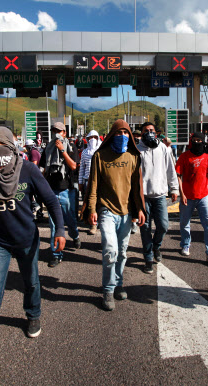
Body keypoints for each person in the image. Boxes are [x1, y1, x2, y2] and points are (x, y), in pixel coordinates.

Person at [0, 127, 66, 382]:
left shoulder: (27, 170)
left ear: (11, 145)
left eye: (1, 143)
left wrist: (60, 230)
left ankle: (33, 314)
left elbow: (51, 201)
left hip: (25, 240)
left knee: (31, 282)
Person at [86, 120, 146, 311]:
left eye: (126, 133)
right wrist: (91, 209)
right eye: (119, 133)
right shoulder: (100, 156)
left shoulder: (132, 157)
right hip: (107, 211)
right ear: (112, 134)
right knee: (110, 250)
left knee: (122, 252)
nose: (123, 136)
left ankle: (119, 283)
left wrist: (140, 210)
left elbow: (136, 187)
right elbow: (93, 185)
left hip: (126, 213)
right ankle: (108, 290)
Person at [137, 122, 179, 274]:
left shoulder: (163, 148)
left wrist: (174, 188)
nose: (149, 133)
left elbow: (170, 169)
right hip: (144, 196)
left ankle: (156, 246)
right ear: (141, 133)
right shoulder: (137, 149)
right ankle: (148, 258)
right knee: (145, 228)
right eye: (146, 130)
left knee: (163, 226)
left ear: (156, 132)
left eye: (151, 130)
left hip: (160, 195)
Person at [39, 122, 80, 267]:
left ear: (64, 133)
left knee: (70, 220)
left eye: (59, 131)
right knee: (54, 224)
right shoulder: (48, 148)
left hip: (66, 190)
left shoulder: (71, 147)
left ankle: (75, 236)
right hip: (51, 190)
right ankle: (56, 254)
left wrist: (62, 150)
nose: (56, 133)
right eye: (54, 131)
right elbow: (43, 168)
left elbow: (74, 166)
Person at [176, 132, 208, 265]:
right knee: (185, 223)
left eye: (199, 140)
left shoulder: (207, 156)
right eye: (194, 140)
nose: (196, 142)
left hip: (203, 196)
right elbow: (178, 175)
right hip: (187, 197)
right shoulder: (184, 156)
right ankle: (185, 244)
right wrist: (182, 194)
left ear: (203, 142)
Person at [78, 130, 101, 235]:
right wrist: (80, 182)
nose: (93, 139)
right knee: (90, 203)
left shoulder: (102, 150)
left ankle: (100, 222)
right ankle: (93, 224)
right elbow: (82, 168)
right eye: (90, 137)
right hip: (87, 179)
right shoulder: (85, 152)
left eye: (95, 137)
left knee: (99, 203)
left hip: (100, 180)